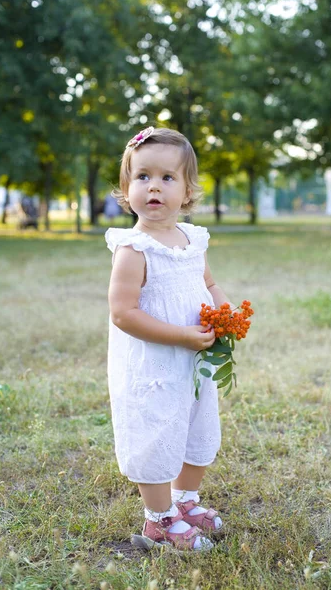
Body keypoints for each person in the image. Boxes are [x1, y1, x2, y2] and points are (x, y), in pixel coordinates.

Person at [105, 126, 233, 553]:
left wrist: (223, 309)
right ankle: (159, 520)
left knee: (195, 426)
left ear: (188, 189)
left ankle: (185, 502)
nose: (153, 187)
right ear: (126, 188)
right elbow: (123, 313)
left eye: (166, 177)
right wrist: (180, 335)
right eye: (142, 177)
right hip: (153, 368)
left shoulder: (192, 240)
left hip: (192, 365)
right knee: (156, 430)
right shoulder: (133, 249)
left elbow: (209, 282)